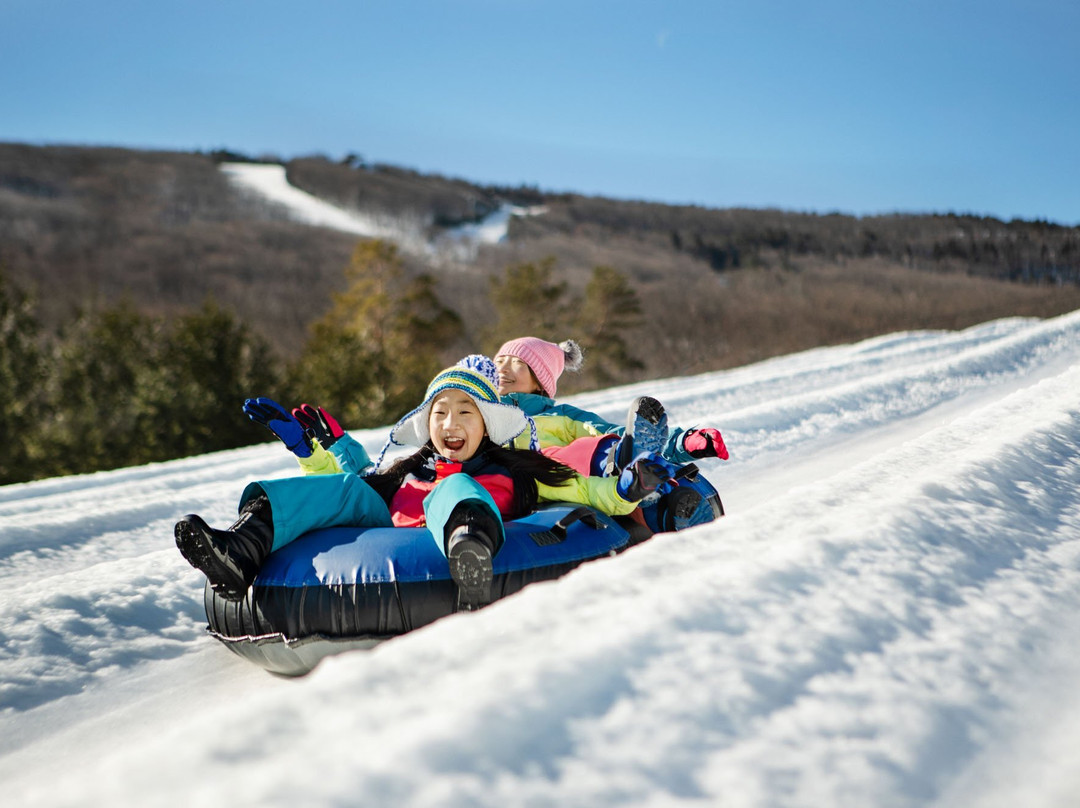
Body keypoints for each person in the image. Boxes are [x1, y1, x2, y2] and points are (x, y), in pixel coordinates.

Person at [175, 355, 680, 610]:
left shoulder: (514, 471)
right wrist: (307, 449)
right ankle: (240, 549)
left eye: (466, 412)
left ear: (487, 424)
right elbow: (345, 489)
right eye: (440, 413)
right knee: (352, 490)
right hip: (391, 526)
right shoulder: (408, 469)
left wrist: (625, 489)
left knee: (453, 489)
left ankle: (470, 551)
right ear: (427, 422)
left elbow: (581, 490)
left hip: (460, 535)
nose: (450, 423)